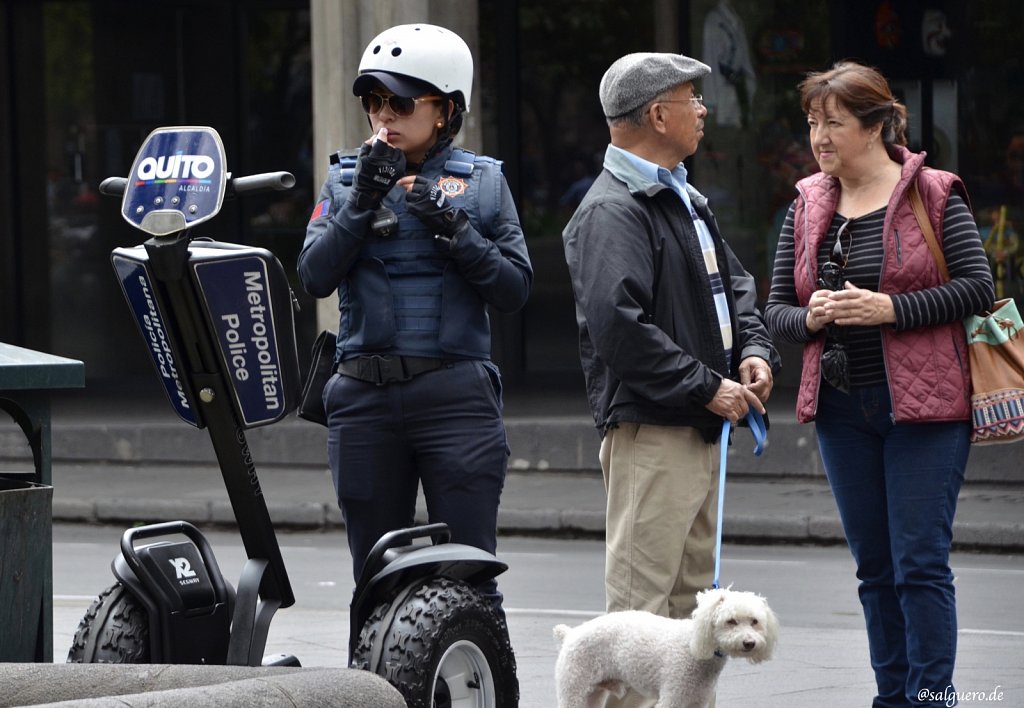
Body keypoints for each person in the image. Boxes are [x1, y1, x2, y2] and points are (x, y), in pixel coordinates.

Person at [764, 61, 994, 707]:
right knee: (875, 568)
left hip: (927, 409)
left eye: (833, 123)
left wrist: (891, 309)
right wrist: (809, 317)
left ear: (876, 124)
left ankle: (931, 695)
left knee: (919, 562)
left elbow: (977, 288)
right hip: (842, 409)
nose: (819, 137)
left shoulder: (935, 192)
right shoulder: (808, 203)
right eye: (812, 123)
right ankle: (891, 695)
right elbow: (776, 307)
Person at [562, 51, 779, 708]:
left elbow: (734, 284)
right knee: (637, 626)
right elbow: (618, 327)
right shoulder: (613, 209)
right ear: (657, 113)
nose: (703, 109)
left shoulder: (678, 193)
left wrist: (753, 349)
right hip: (654, 431)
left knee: (690, 628)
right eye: (692, 98)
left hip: (693, 424)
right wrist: (705, 385)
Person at [297, 24, 532, 612]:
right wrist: (359, 206)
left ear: (447, 109)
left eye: (400, 102)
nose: (384, 117)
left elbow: (513, 289)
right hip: (362, 400)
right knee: (374, 583)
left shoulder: (483, 183)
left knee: (469, 577)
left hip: (456, 398)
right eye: (373, 102)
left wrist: (455, 228)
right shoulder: (346, 178)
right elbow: (314, 276)